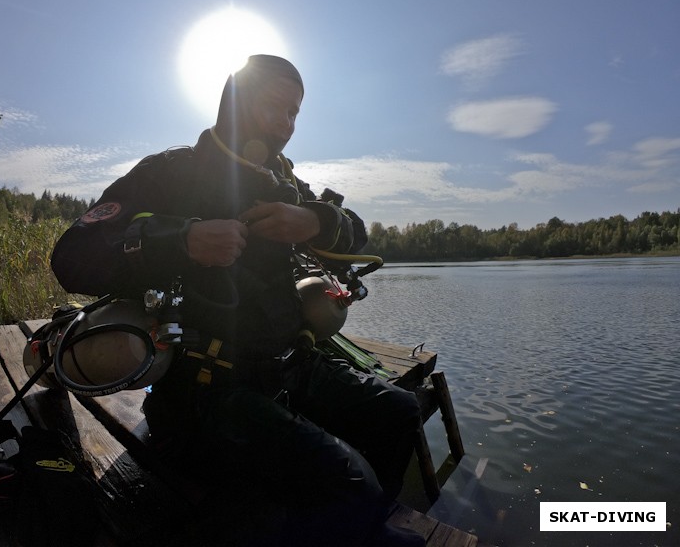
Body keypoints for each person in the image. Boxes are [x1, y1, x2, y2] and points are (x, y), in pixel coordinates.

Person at [51, 55, 425, 547]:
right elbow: (71, 257)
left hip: (291, 366)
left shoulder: (286, 184)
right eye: (274, 107)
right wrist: (179, 239)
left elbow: (354, 231)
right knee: (349, 479)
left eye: (294, 112)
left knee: (398, 412)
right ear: (234, 101)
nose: (286, 124)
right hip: (205, 390)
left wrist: (315, 220)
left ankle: (362, 525)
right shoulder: (170, 173)